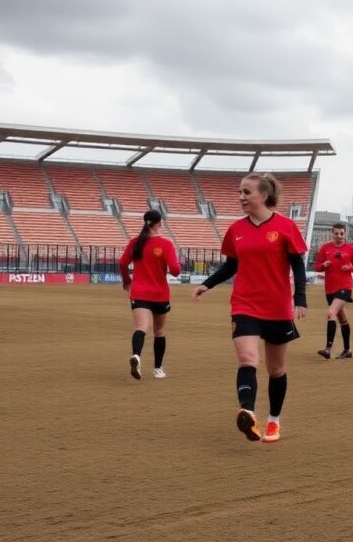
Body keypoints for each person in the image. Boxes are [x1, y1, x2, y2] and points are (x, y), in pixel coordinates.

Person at [192, 173, 307, 444]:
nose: (241, 197)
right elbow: (231, 266)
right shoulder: (236, 230)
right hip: (244, 304)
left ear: (263, 195)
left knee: (276, 369)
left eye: (246, 192)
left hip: (277, 306)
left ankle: (274, 421)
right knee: (247, 358)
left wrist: (300, 297)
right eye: (240, 192)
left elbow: (298, 265)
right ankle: (248, 412)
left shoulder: (286, 226)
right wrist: (207, 284)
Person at [118, 209, 180, 380]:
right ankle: (158, 369)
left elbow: (122, 263)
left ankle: (136, 355)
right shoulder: (166, 244)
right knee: (159, 331)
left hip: (139, 292)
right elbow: (175, 270)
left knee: (141, 328)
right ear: (160, 223)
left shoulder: (134, 242)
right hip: (159, 294)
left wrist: (127, 280)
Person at [314, 222, 353, 359]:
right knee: (342, 320)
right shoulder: (325, 248)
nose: (339, 236)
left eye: (342, 233)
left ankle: (328, 349)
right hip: (329, 289)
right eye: (336, 233)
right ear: (332, 233)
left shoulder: (350, 249)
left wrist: (350, 268)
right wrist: (323, 265)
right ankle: (347, 351)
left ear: (345, 234)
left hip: (345, 287)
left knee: (331, 313)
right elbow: (317, 266)